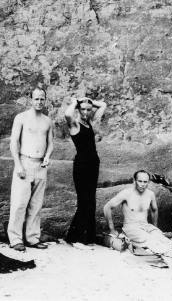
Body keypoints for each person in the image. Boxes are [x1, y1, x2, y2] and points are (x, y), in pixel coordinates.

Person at [7, 87, 54, 251]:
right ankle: (15, 239)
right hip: (24, 162)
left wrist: (47, 156)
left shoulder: (47, 121)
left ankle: (32, 238)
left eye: (42, 99)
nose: (39, 102)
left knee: (36, 204)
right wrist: (18, 164)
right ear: (30, 100)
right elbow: (14, 142)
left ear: (45, 100)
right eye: (36, 99)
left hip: (41, 164)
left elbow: (50, 143)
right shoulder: (21, 118)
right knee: (19, 203)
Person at [64, 96, 107, 250]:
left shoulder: (90, 123)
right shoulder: (75, 124)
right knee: (84, 201)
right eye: (83, 109)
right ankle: (74, 238)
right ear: (78, 109)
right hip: (81, 166)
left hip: (93, 165)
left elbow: (103, 105)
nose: (86, 112)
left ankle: (88, 237)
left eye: (89, 110)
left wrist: (87, 100)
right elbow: (68, 114)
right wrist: (77, 102)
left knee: (91, 201)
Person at [103, 170, 172, 256]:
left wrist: (154, 227)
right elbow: (107, 207)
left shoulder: (150, 194)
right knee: (150, 240)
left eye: (145, 182)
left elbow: (154, 210)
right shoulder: (126, 193)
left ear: (148, 182)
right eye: (140, 181)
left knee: (162, 239)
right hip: (131, 228)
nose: (142, 184)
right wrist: (112, 230)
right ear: (134, 181)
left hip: (146, 226)